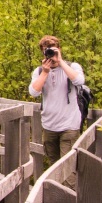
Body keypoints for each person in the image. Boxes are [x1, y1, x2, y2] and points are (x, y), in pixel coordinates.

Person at [28, 35, 85, 172]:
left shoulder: (72, 66)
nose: (50, 55)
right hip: (49, 126)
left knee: (68, 169)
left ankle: (69, 194)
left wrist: (60, 62)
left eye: (52, 50)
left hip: (69, 125)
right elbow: (34, 92)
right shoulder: (40, 71)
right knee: (54, 168)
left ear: (59, 49)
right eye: (46, 51)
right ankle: (57, 193)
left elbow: (79, 81)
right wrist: (45, 72)